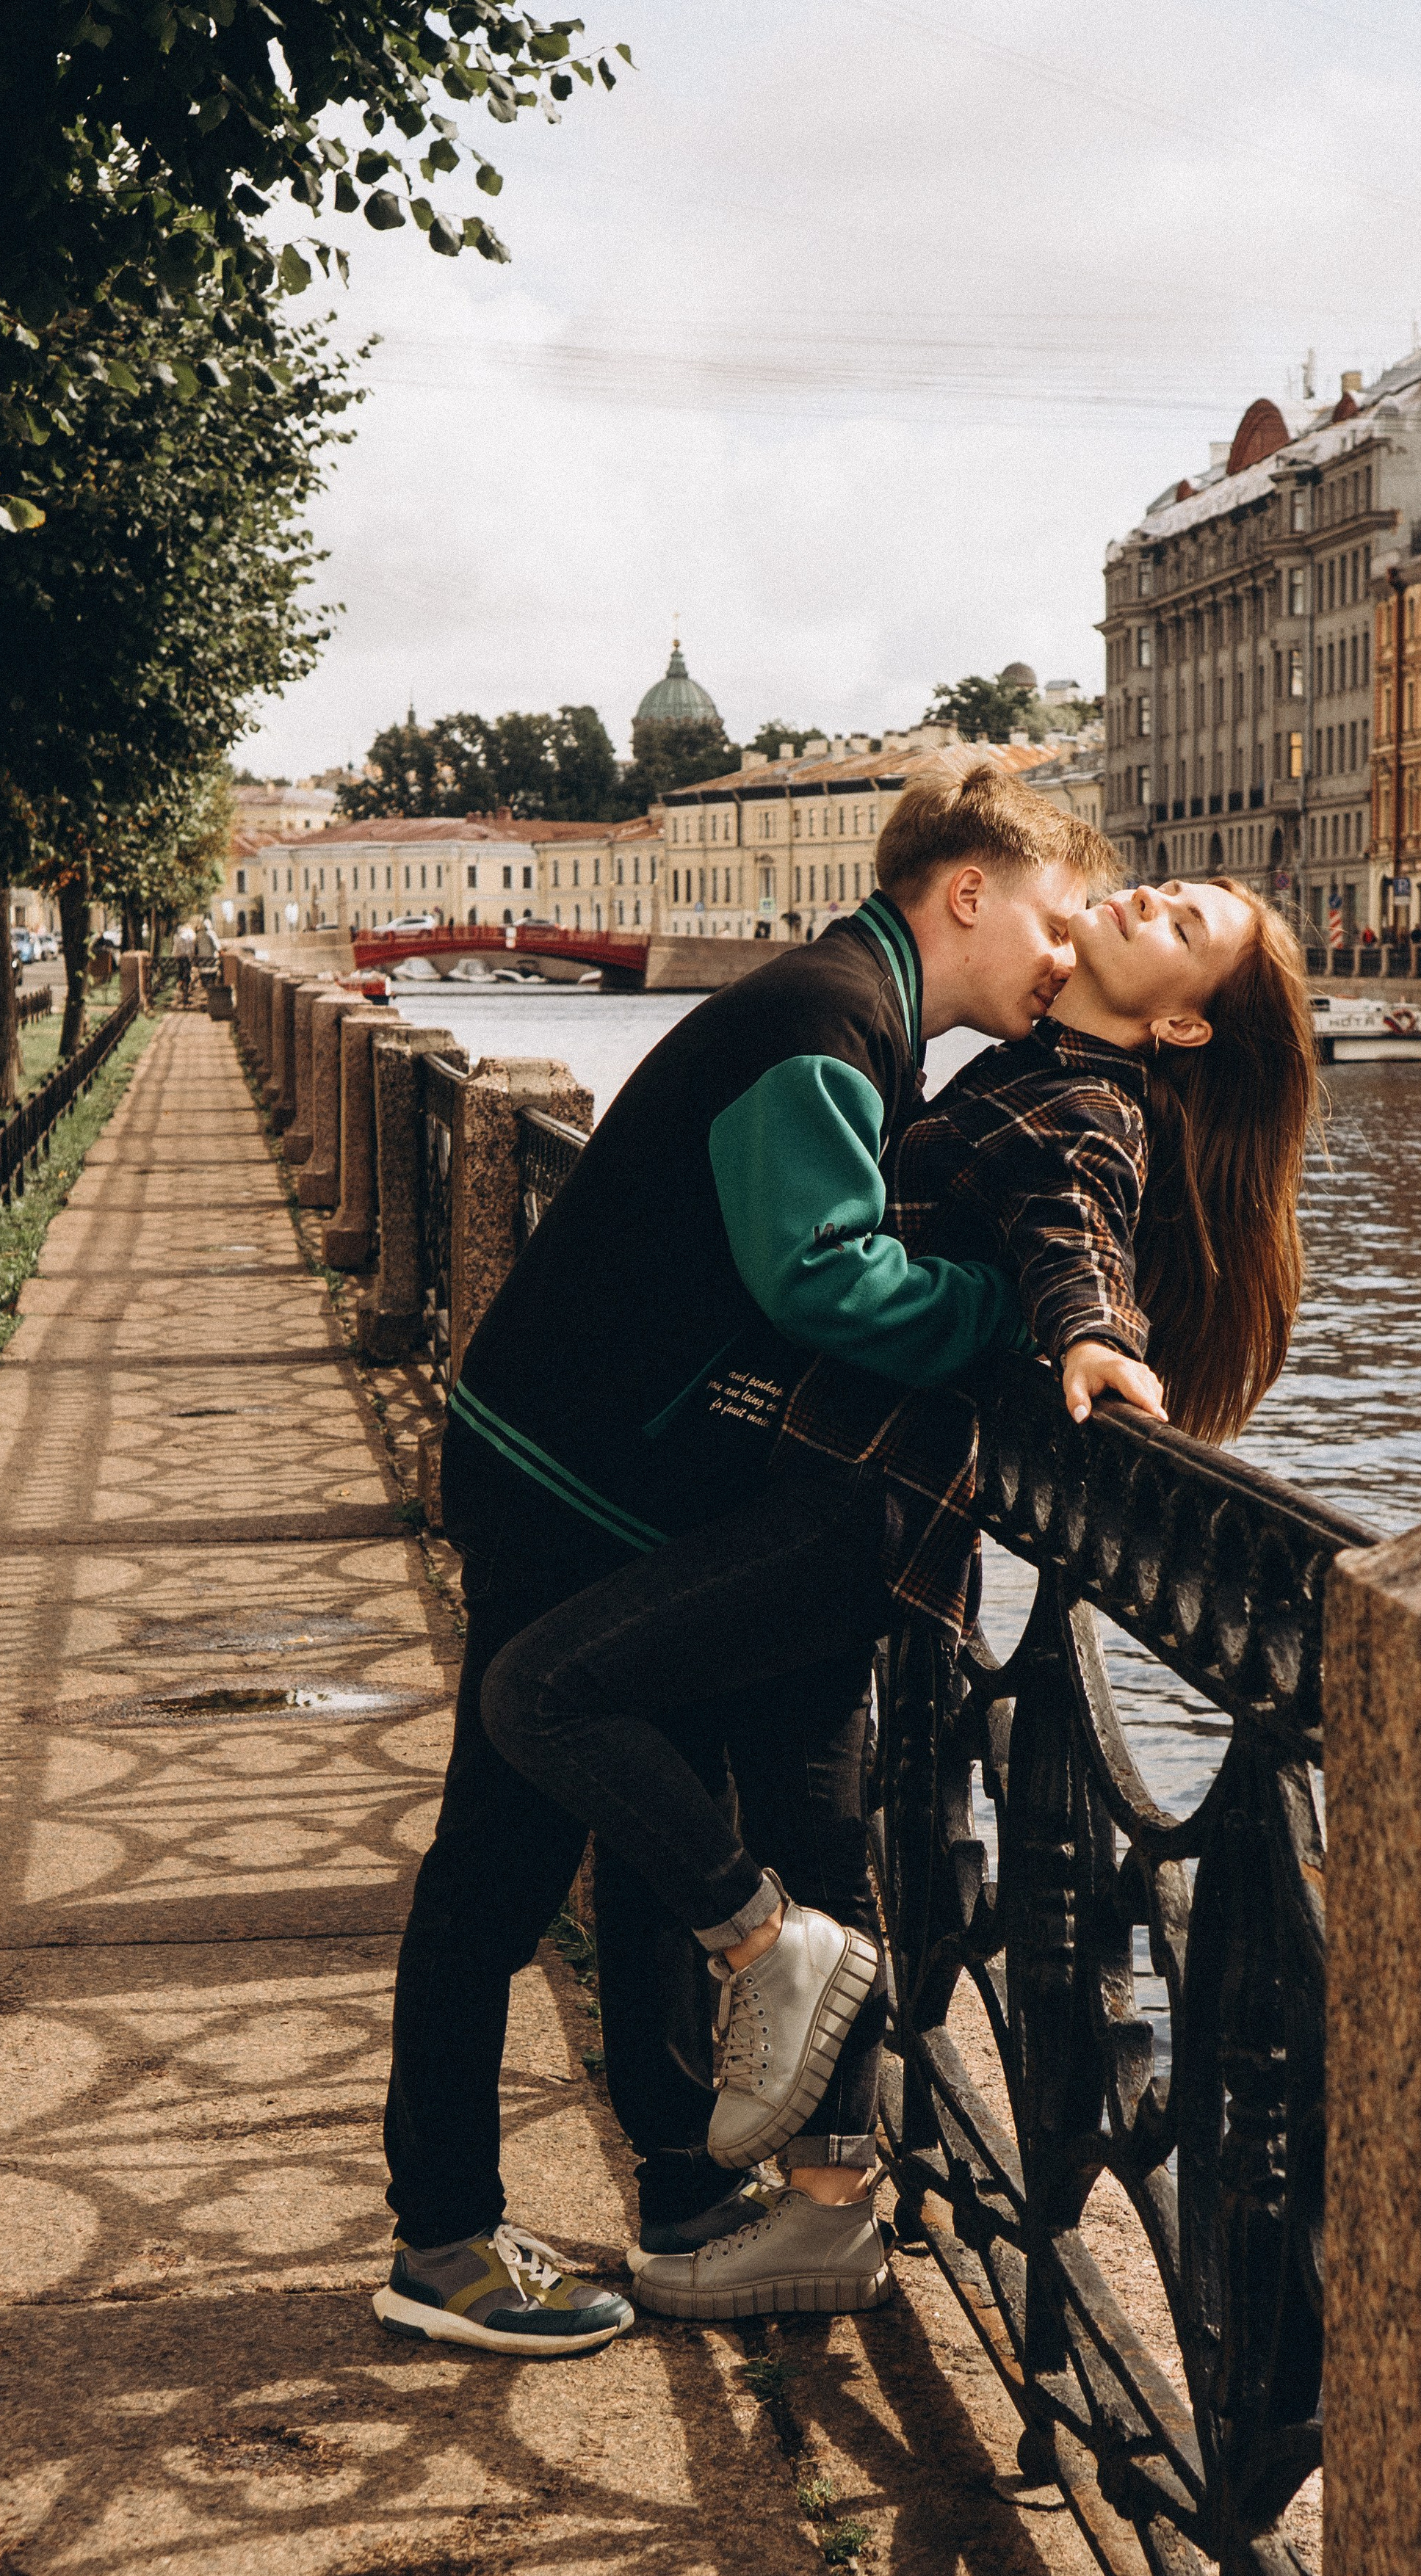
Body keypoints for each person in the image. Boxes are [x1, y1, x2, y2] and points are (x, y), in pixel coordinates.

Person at [478, 866, 1316, 2325]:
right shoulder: (1028, 1061)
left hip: (850, 1513)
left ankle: (763, 1948)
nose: (1148, 901)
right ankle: (826, 2209)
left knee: (543, 1694)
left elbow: (1074, 1230)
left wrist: (1088, 1334)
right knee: (815, 1828)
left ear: (1184, 1026)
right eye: (1165, 888)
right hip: (831, 1496)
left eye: (1185, 927)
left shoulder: (1085, 1104)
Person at [375, 755, 1124, 2357]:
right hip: (566, 1474)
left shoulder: (850, 1014)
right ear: (969, 894)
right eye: (1056, 921)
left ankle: (680, 2189)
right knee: (496, 1866)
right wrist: (1006, 1318)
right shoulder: (823, 1023)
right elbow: (823, 1279)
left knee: (625, 1840)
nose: (1065, 956)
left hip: (608, 1470)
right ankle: (440, 2240)